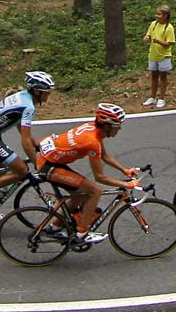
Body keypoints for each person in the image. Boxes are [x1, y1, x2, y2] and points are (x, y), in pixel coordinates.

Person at [33, 104, 140, 246]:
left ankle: (55, 226)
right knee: (95, 191)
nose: (119, 129)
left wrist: (124, 170)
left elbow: (105, 155)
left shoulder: (93, 128)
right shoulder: (92, 142)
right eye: (117, 126)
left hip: (52, 159)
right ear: (107, 126)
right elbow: (100, 177)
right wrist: (126, 184)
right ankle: (82, 233)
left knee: (81, 194)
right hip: (49, 166)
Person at [0, 71, 55, 219]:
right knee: (22, 170)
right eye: (46, 92)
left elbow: (20, 127)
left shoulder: (22, 96)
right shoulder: (29, 107)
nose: (48, 95)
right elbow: (25, 140)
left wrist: (37, 146)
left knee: (0, 172)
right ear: (36, 91)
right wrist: (38, 164)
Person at [142, 5, 175, 108]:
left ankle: (162, 98)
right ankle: (152, 97)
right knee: (154, 76)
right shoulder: (153, 24)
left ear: (165, 15)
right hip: (153, 54)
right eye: (157, 14)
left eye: (159, 14)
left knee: (163, 77)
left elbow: (169, 43)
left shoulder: (169, 27)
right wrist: (147, 38)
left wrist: (158, 41)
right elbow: (149, 35)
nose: (157, 16)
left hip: (164, 56)